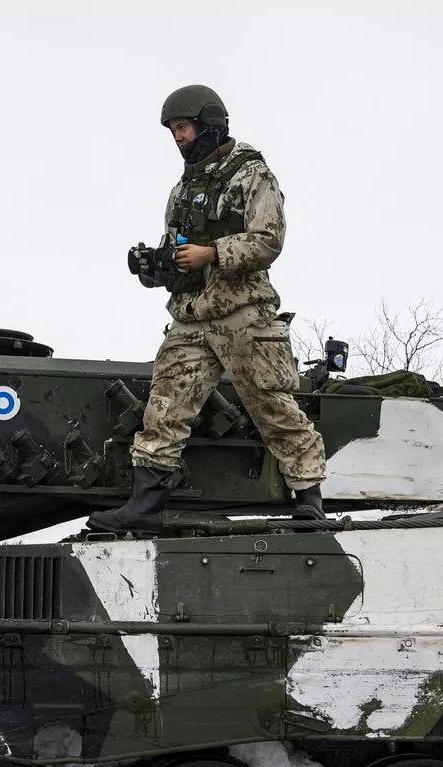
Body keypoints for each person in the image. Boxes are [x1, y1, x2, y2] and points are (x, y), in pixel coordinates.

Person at [86, 84, 327, 537]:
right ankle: (144, 509)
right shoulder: (182, 188)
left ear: (209, 123)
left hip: (244, 313)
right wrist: (154, 266)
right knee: (163, 409)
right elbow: (177, 255)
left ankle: (309, 501)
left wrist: (211, 253)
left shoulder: (251, 174)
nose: (178, 137)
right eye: (173, 130)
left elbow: (267, 240)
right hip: (192, 317)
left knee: (271, 405)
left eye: (183, 127)